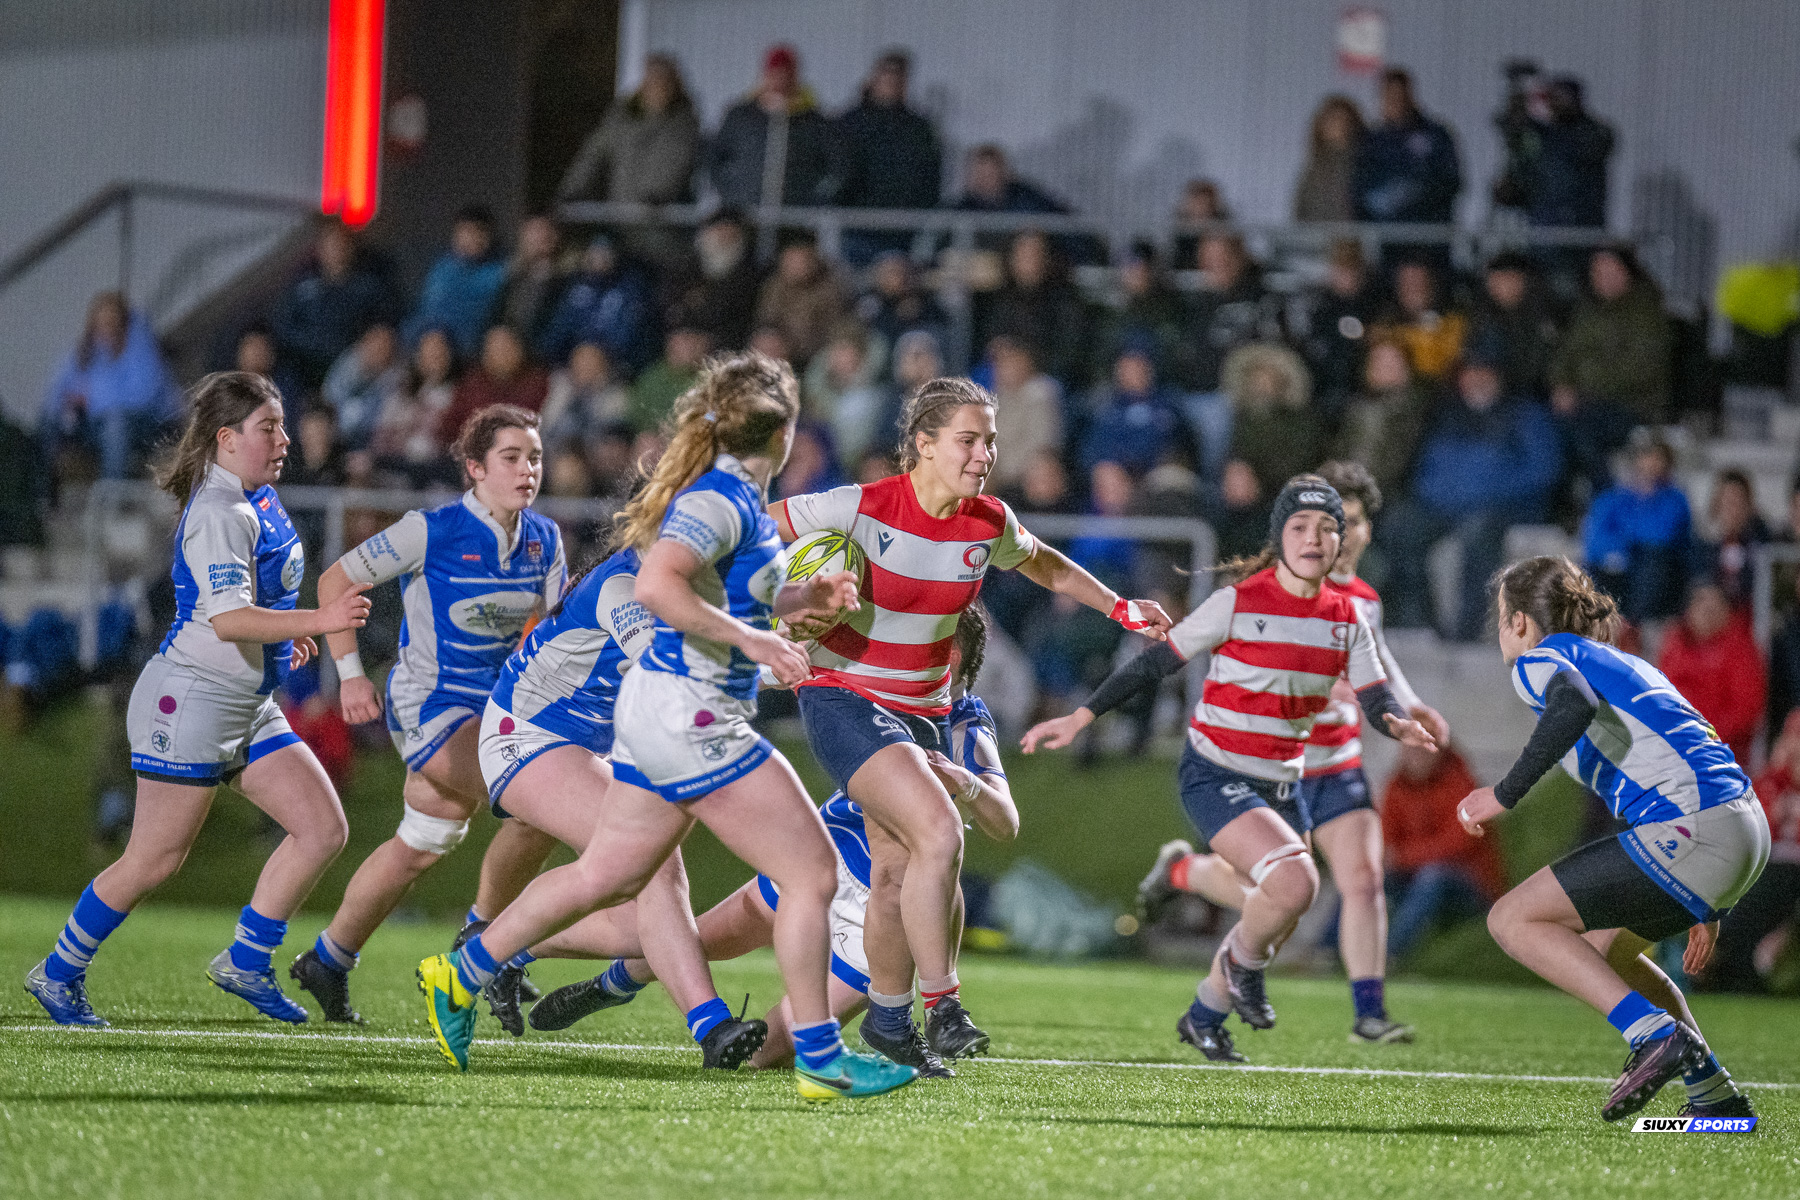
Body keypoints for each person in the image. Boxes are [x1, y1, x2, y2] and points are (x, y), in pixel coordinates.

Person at [418, 351, 918, 1102]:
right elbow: (657, 588)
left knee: (611, 873)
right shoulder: (720, 501)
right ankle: (820, 1058)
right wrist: (754, 642)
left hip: (652, 719)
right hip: (685, 714)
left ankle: (460, 972)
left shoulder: (736, 501)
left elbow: (730, 595)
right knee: (812, 873)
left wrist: (803, 595)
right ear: (782, 431)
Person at [772, 377, 1175, 1070]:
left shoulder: (986, 522)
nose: (985, 453)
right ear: (923, 445)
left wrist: (1120, 608)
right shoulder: (857, 506)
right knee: (939, 829)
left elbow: (1043, 562)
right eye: (969, 439)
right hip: (842, 695)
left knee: (898, 874)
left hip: (923, 710)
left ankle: (889, 1025)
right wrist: (775, 617)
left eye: (990, 440)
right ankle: (945, 1005)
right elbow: (750, 535)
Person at [1022, 476, 1436, 1063]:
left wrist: (1402, 722)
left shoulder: (1349, 617)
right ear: (1280, 537)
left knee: (1277, 910)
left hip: (1286, 779)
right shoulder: (1241, 601)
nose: (1314, 539)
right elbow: (1155, 665)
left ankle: (1204, 1013)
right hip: (1217, 771)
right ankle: (1249, 971)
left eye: (1327, 528)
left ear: (1344, 540)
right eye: (1300, 527)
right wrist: (1081, 717)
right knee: (1295, 884)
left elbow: (1376, 697)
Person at [525, 608, 1014, 1077]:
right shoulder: (874, 683)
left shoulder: (966, 720)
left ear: (949, 656)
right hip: (831, 859)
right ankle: (537, 958)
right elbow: (786, 669)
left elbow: (1005, 821)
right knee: (688, 941)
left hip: (885, 915)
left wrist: (966, 784)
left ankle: (604, 978)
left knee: (767, 1055)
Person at [25, 372, 371, 1027]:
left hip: (242, 699)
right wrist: (315, 625)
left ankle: (246, 960)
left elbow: (253, 609)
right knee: (155, 857)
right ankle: (57, 973)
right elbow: (229, 619)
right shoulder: (220, 510)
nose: (284, 438)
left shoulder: (257, 498)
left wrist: (285, 640)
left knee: (322, 828)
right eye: (268, 428)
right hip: (189, 702)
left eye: (281, 424)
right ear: (225, 438)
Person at [1457, 555, 1768, 1123]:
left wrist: (1503, 793)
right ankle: (1716, 1099)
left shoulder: (1542, 659)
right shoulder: (1622, 662)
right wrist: (1707, 896)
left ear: (1521, 621)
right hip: (1739, 826)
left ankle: (1652, 1035)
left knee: (1511, 919)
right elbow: (1680, 750)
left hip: (1699, 827)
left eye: (1500, 616)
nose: (1500, 629)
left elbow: (1570, 705)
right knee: (1606, 951)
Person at [287, 406, 566, 1023]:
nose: (527, 470)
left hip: (495, 711)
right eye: (511, 458)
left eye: (536, 458)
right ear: (474, 468)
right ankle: (482, 940)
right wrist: (352, 676)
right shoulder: (430, 530)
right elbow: (334, 582)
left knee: (424, 840)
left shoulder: (545, 540)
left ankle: (327, 961)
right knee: (540, 800)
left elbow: (551, 637)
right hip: (430, 708)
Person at [456, 540, 767, 1062]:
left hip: (581, 745)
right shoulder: (624, 584)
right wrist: (773, 653)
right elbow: (666, 663)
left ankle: (498, 949)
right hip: (525, 734)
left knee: (640, 922)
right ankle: (712, 1027)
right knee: (658, 868)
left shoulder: (694, 585)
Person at [1295, 461, 1448, 1038]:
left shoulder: (1363, 598)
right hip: (1275, 763)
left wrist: (1411, 705)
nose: (1341, 535)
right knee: (1272, 894)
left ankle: (1368, 1012)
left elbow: (1374, 661)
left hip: (1337, 761)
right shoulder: (1287, 588)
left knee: (1363, 878)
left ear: (1365, 530)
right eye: (1330, 522)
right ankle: (1183, 871)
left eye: (1352, 522)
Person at [1384, 347, 1562, 640]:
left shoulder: (1524, 414)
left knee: (1477, 535)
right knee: (1401, 527)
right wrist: (1440, 496)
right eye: (1470, 373)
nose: (1477, 380)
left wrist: (1489, 492)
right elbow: (1425, 469)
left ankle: (1465, 631)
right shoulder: (1448, 415)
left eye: (1485, 373)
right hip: (1445, 508)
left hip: (1502, 509)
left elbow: (1544, 469)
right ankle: (1417, 622)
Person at [1549, 247, 1672, 494]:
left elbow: (1640, 370)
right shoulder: (1584, 311)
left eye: (1611, 271)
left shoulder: (1648, 313)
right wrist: (1561, 385)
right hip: (1586, 403)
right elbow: (1564, 356)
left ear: (1628, 273)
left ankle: (1604, 496)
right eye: (1598, 272)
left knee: (1582, 430)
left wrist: (1580, 388)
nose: (1604, 278)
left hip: (1634, 407)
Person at [1380, 740, 1506, 960]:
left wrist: (1402, 857)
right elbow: (1386, 840)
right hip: (1413, 879)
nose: (1415, 755)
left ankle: (1389, 956)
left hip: (1471, 888)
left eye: (1421, 748)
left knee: (1433, 876)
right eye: (1409, 748)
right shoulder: (1396, 786)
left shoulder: (1462, 786)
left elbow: (1457, 845)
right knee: (1364, 875)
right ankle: (1328, 952)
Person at [41, 291, 179, 482]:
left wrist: (92, 401)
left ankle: (113, 497)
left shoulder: (140, 345)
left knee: (115, 425)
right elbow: (57, 393)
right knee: (49, 421)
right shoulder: (86, 351)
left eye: (110, 323)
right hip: (93, 422)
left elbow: (144, 396)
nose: (105, 330)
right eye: (99, 324)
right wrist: (70, 405)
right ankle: (43, 496)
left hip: (145, 422)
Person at [836, 49, 943, 262]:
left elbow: (931, 176)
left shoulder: (919, 128)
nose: (892, 83)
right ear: (875, 78)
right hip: (857, 230)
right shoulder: (849, 124)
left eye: (899, 77)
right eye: (887, 76)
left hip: (904, 234)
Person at [708, 44, 842, 209]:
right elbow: (715, 158)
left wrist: (816, 199)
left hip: (795, 219)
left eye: (786, 75)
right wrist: (730, 193)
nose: (780, 81)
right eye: (775, 74)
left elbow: (838, 166)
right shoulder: (740, 116)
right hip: (745, 215)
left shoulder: (814, 121)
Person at [557, 53, 700, 205]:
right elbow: (593, 155)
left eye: (663, 80)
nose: (657, 86)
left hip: (661, 216)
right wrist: (573, 190)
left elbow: (676, 163)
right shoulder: (620, 117)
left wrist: (655, 196)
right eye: (652, 79)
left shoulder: (683, 123)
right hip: (617, 212)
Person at [1354, 67, 1462, 264]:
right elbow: (1360, 188)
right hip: (1387, 239)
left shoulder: (1436, 135)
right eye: (1389, 95)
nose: (1396, 101)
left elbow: (1451, 181)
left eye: (1400, 94)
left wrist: (1415, 194)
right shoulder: (1372, 141)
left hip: (1429, 238)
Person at [1583, 431, 1691, 622]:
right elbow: (1594, 542)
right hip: (1621, 570)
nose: (1650, 464)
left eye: (1657, 458)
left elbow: (1661, 535)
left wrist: (1625, 540)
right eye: (1646, 456)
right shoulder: (1613, 497)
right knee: (1600, 569)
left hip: (1660, 572)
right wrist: (1624, 550)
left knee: (1652, 560)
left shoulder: (1675, 499)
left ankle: (1634, 624)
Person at [271, 220, 395, 388]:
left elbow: (381, 329)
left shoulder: (368, 288)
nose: (336, 249)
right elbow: (284, 326)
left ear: (352, 247)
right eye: (330, 244)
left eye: (341, 243)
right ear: (319, 248)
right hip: (304, 366)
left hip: (351, 366)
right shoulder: (302, 286)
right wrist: (311, 344)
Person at [1657, 580, 1765, 765]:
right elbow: (1662, 698)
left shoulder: (1740, 648)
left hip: (1724, 756)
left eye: (1714, 607)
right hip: (1675, 748)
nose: (1707, 612)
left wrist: (1703, 737)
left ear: (1727, 611)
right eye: (1701, 605)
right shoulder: (1675, 645)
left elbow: (1745, 711)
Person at [975, 230, 1089, 387]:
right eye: (1022, 254)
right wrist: (999, 349)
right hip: (1001, 371)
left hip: (1046, 376)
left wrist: (1030, 363)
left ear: (1046, 259)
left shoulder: (1064, 299)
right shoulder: (1000, 297)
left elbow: (1069, 352)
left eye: (1034, 254)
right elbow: (990, 338)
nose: (1028, 260)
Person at [537, 235, 656, 374]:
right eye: (596, 252)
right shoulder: (574, 286)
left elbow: (629, 335)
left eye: (606, 253)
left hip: (612, 369)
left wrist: (598, 355)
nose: (600, 258)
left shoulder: (631, 288)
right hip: (571, 366)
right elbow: (558, 330)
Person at [404, 204, 508, 358]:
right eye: (466, 231)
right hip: (427, 348)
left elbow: (479, 319)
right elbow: (425, 310)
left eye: (480, 232)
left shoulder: (500, 272)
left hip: (468, 354)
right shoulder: (441, 268)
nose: (473, 238)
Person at [1332, 338, 1431, 499]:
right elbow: (1338, 452)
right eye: (1377, 360)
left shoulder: (1418, 408)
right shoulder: (1356, 408)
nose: (1383, 367)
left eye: (1392, 361)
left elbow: (1404, 462)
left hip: (1393, 495)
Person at [1467, 252, 1561, 400]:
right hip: (1492, 396)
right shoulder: (1482, 317)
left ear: (1523, 280)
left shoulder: (1542, 317)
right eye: (1495, 281)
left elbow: (1545, 364)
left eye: (1508, 279)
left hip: (1535, 395)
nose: (1500, 286)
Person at [438, 325, 549, 445]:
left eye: (506, 348)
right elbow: (450, 426)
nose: (500, 355)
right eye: (494, 349)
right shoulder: (473, 382)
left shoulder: (536, 383)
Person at [754, 234, 847, 370]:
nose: (795, 267)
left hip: (813, 356)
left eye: (800, 261)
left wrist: (791, 346)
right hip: (779, 349)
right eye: (790, 261)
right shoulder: (774, 287)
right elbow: (766, 320)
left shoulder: (830, 291)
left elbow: (831, 331)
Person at [1373, 261, 1466, 383]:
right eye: (1407, 282)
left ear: (1431, 284)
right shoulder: (1385, 324)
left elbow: (1446, 364)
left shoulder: (1453, 322)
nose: (1413, 288)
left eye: (1419, 281)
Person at [490, 216, 569, 354]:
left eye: (546, 231)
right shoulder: (511, 276)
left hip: (542, 356)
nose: (541, 236)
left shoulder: (566, 280)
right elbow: (497, 316)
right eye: (535, 231)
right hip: (507, 352)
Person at [321, 323, 405, 451]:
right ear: (364, 342)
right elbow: (329, 398)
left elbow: (386, 417)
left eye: (384, 346)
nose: (378, 350)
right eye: (375, 343)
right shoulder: (348, 365)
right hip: (338, 436)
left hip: (372, 442)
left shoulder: (397, 378)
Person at [1700, 468, 1770, 611]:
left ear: (1748, 506)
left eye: (1738, 502)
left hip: (1748, 612)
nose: (1732, 509)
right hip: (1716, 612)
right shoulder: (1703, 542)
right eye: (1727, 501)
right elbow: (1700, 582)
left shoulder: (1761, 540)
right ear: (1716, 504)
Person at [1294, 96, 1364, 223]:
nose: (1340, 126)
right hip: (1315, 239)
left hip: (1355, 239)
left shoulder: (1365, 165)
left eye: (1344, 120)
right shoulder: (1313, 171)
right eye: (1333, 120)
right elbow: (1300, 214)